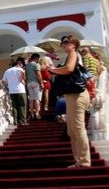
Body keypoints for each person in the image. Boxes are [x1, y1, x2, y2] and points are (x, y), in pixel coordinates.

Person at [49, 35, 91, 168]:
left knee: (78, 129)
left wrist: (53, 70)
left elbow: (69, 69)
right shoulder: (71, 55)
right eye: (62, 43)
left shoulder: (73, 53)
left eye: (66, 42)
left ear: (74, 44)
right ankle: (79, 160)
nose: (63, 44)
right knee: (72, 130)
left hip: (77, 95)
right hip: (72, 96)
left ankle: (84, 161)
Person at [2, 57, 27, 126]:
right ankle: (22, 121)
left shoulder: (7, 71)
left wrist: (7, 87)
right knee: (22, 105)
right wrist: (23, 81)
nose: (22, 66)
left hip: (12, 91)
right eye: (21, 64)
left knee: (14, 106)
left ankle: (15, 121)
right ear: (19, 64)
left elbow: (3, 81)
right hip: (20, 90)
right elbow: (23, 78)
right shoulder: (20, 69)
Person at [25, 53, 43, 120]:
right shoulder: (36, 65)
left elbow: (26, 75)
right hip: (35, 82)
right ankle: (37, 113)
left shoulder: (27, 66)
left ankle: (32, 114)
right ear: (36, 58)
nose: (38, 60)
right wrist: (41, 83)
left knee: (31, 100)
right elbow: (38, 74)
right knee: (37, 99)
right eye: (38, 58)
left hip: (29, 83)